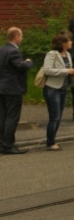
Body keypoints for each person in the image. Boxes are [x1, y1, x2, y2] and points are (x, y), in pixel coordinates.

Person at [42, 31, 74, 151]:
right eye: (69, 40)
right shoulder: (52, 54)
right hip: (52, 89)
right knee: (54, 116)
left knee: (59, 116)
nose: (71, 42)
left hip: (63, 88)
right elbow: (47, 70)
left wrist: (72, 72)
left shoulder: (68, 54)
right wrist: (65, 71)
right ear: (63, 43)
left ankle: (52, 140)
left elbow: (67, 71)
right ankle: (50, 142)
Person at [0, 27, 33, 155]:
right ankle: (8, 145)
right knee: (12, 117)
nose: (22, 38)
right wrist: (29, 62)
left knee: (2, 116)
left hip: (1, 88)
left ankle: (2, 143)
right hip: (12, 89)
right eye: (21, 36)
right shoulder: (14, 52)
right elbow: (21, 66)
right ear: (16, 37)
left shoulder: (1, 49)